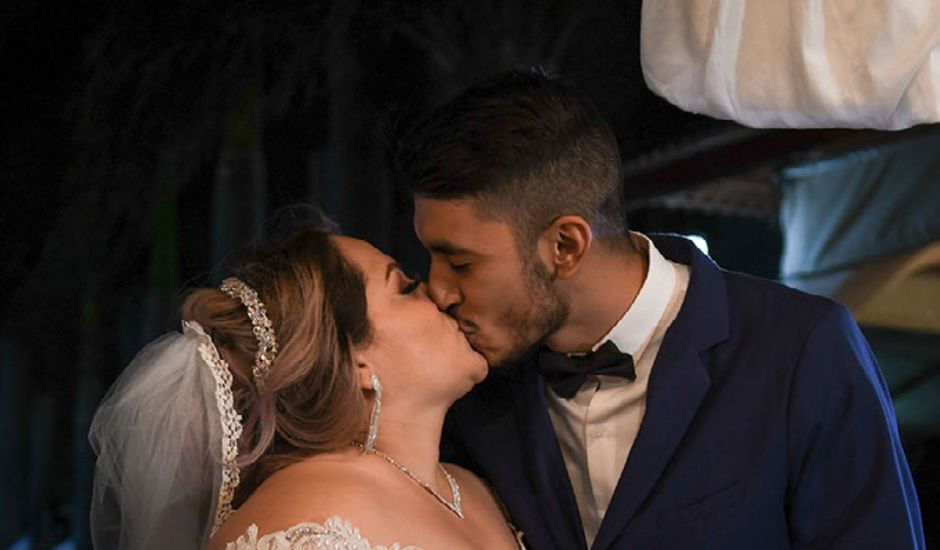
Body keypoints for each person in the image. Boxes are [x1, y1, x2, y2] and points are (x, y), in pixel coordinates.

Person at [392, 70, 926, 549]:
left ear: (565, 246)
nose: (438, 290)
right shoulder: (470, 391)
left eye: (460, 263)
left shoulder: (800, 347)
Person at [89, 224, 526, 549]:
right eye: (407, 288)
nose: (440, 294)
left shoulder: (474, 485)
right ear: (355, 360)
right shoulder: (305, 516)